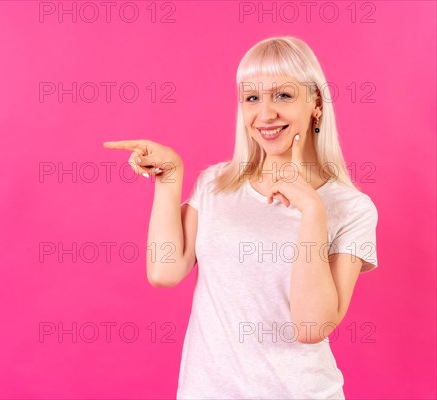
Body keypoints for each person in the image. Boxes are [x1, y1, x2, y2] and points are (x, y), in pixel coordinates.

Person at [103, 36, 378, 399]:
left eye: (282, 95)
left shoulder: (352, 208)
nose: (265, 114)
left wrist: (312, 210)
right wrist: (169, 180)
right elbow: (164, 271)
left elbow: (311, 327)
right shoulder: (217, 184)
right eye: (252, 97)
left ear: (315, 103)